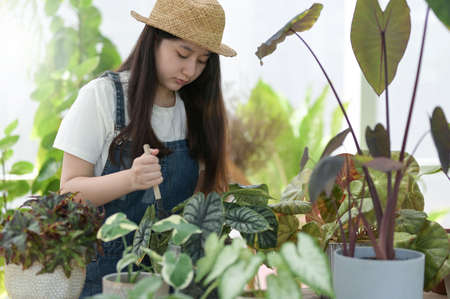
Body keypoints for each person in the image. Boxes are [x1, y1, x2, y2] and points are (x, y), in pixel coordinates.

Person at [53, 0, 236, 296]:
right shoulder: (103, 96)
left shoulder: (196, 109)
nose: (190, 70)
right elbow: (69, 195)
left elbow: (201, 200)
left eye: (203, 60)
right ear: (153, 40)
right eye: (183, 53)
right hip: (111, 280)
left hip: (179, 278)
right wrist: (131, 180)